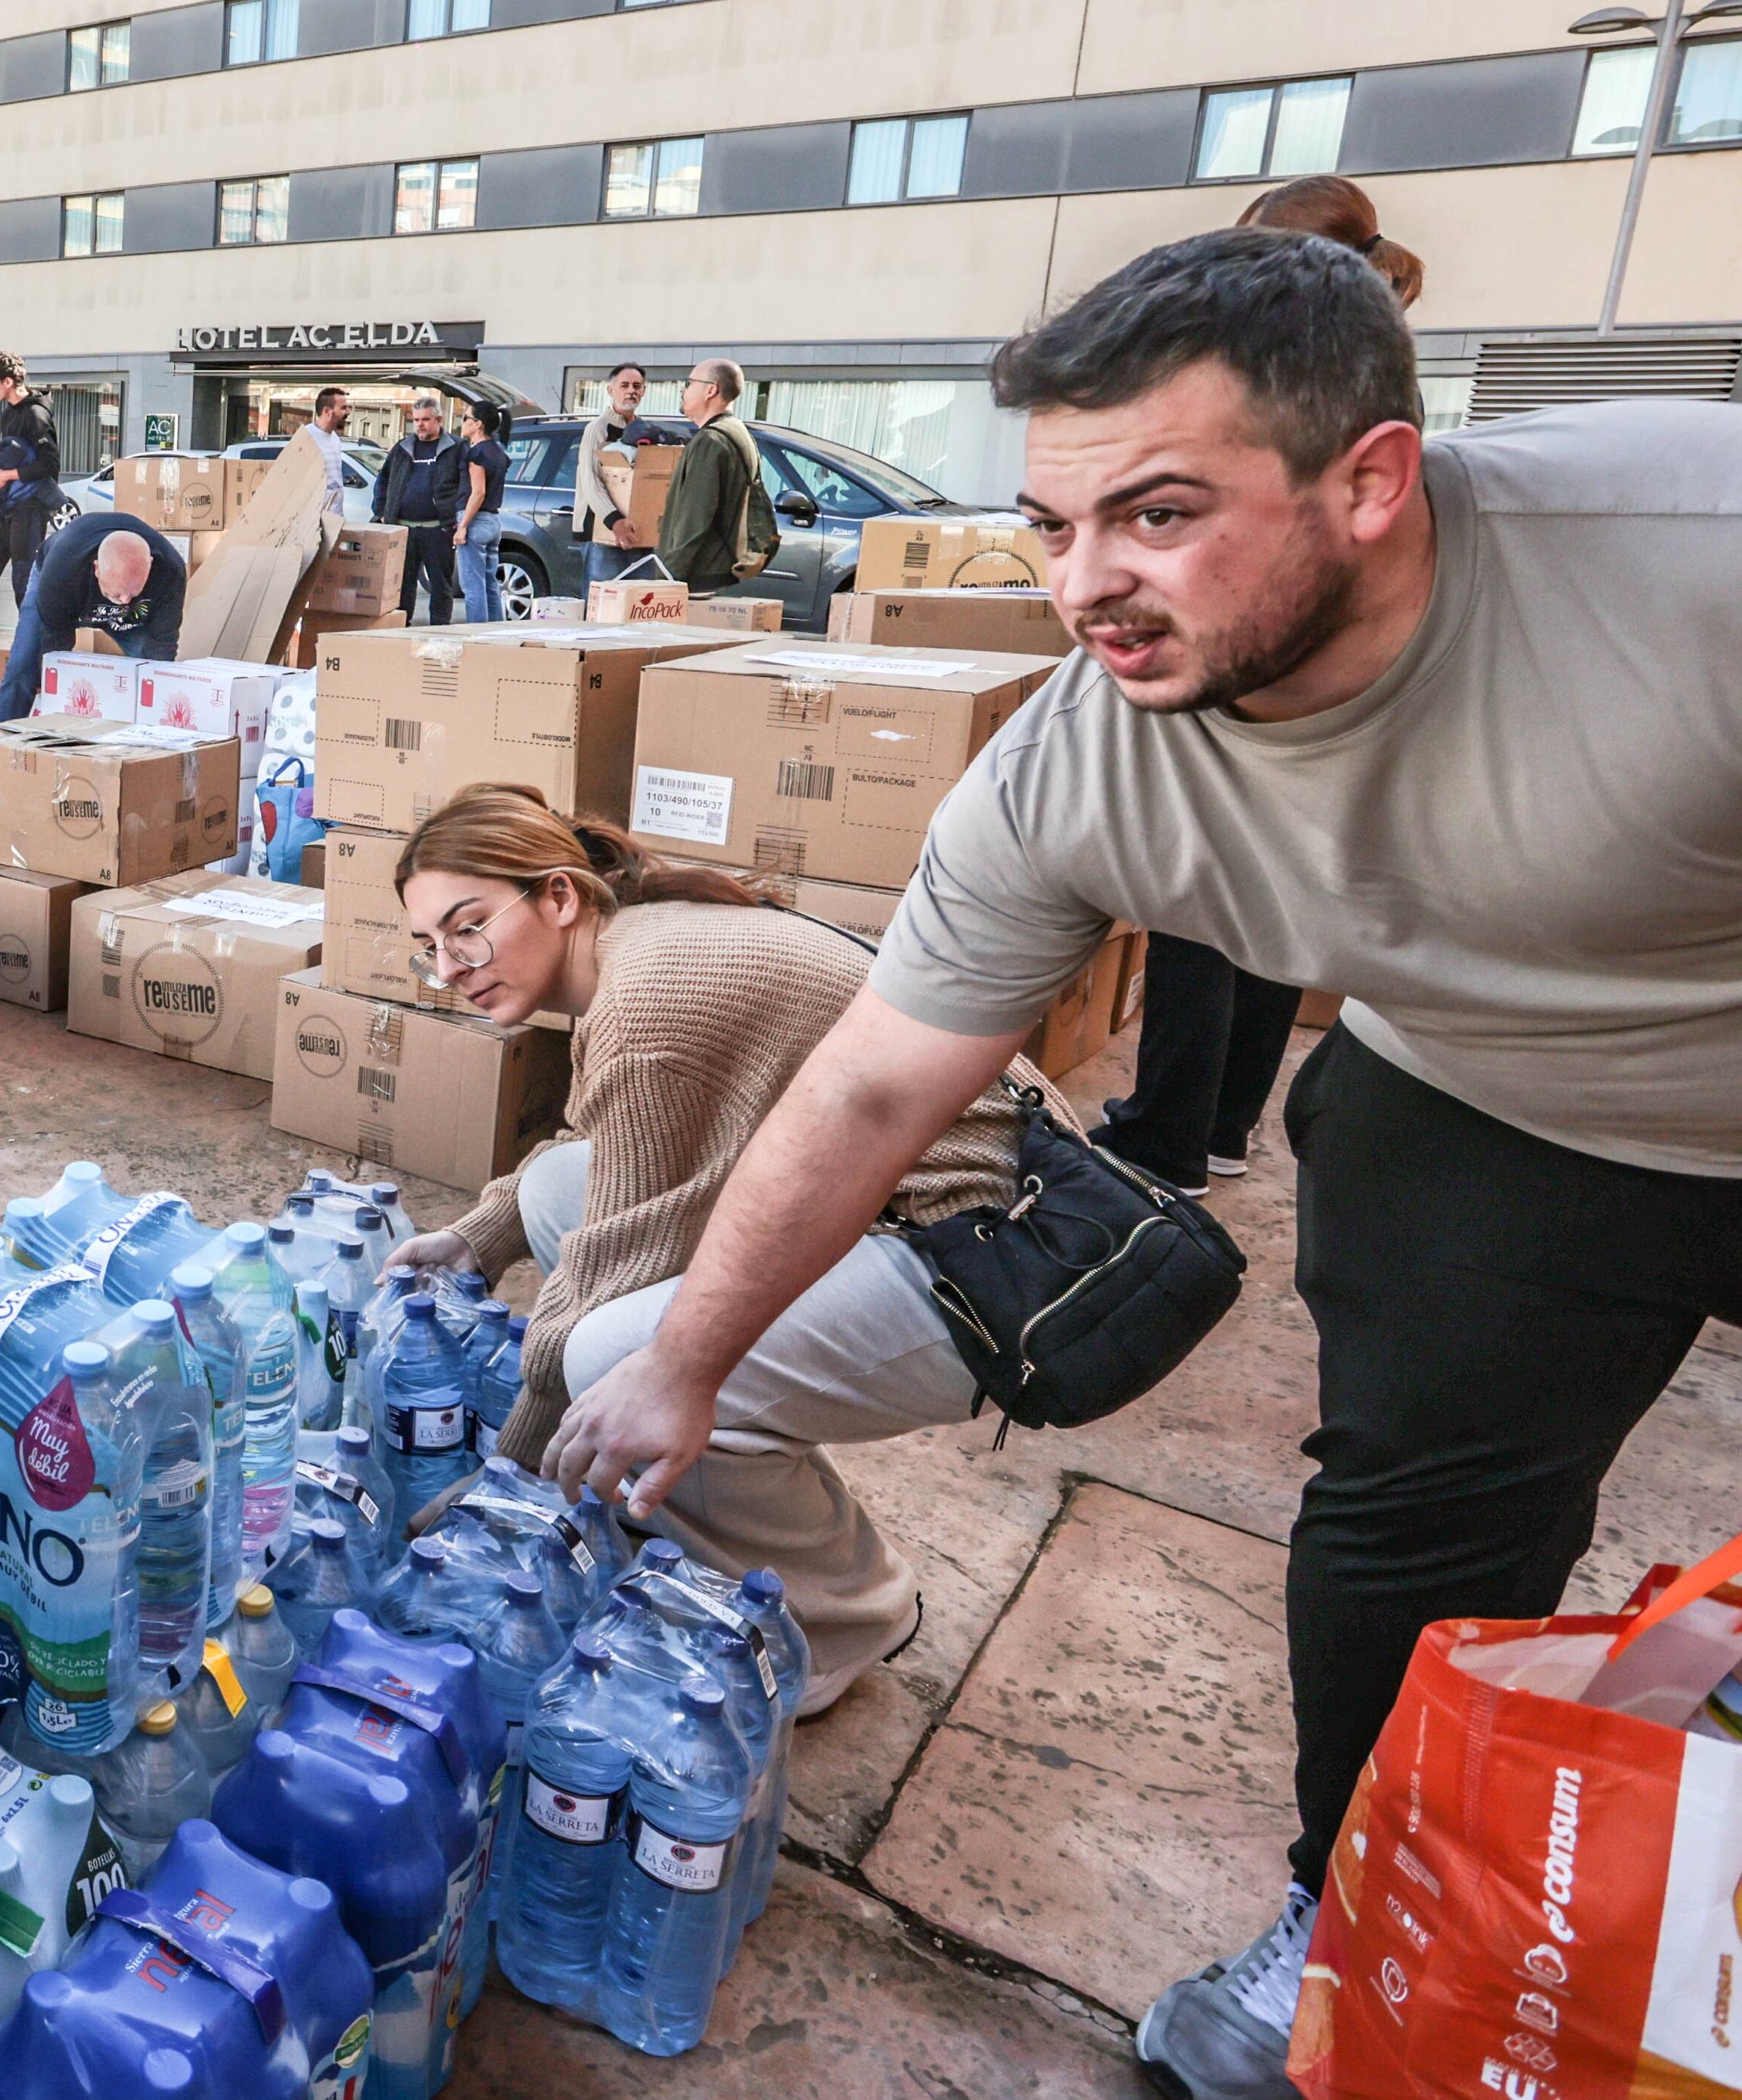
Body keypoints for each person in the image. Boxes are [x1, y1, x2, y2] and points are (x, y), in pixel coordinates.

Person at [520, 229, 1742, 2100]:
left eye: (1157, 512)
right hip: (1494, 1102)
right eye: (1051, 522)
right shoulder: (1073, 765)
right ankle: (1351, 1909)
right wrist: (682, 1356)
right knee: (1401, 1535)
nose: (1086, 585)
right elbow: (863, 1090)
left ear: (1372, 480)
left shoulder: (1686, 572)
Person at [385, 782, 1030, 1710]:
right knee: (565, 1194)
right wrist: (477, 1237)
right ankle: (726, 1502)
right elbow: (597, 1159)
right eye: (430, 947)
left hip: (987, 1268)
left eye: (468, 926)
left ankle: (843, 1616)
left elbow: (602, 1286)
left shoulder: (650, 1000)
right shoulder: (639, 938)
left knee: (621, 1361)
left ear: (559, 895)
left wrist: (505, 1494)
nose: (450, 965)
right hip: (895, 1218)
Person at [1094, 175, 1432, 1197]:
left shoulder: (1281, 373)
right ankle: (1228, 1125)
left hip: (1250, 663)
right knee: (1278, 900)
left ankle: (1166, 1140)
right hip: (1347, 683)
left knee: (1195, 905)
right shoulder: (1380, 368)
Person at [0, 514, 184, 724]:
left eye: (133, 592)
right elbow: (53, 645)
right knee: (24, 665)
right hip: (64, 580)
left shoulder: (171, 571)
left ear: (150, 564)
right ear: (97, 568)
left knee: (150, 670)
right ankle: (2, 740)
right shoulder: (62, 571)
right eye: (118, 594)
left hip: (132, 615)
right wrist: (50, 695)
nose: (126, 600)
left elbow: (162, 646)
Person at [0, 351, 66, 661]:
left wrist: (9, 474)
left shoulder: (36, 415)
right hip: (5, 505)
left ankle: (33, 650)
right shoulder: (8, 412)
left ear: (8, 382)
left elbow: (50, 464)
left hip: (31, 508)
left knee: (24, 580)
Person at [650, 358, 774, 594]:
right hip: (719, 571)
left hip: (698, 577)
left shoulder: (711, 440)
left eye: (689, 383)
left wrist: (669, 578)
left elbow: (694, 517)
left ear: (711, 390)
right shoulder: (736, 431)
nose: (683, 390)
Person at [379, 392, 466, 625]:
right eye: (416, 420)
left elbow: (467, 484)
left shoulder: (456, 448)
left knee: (440, 585)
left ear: (439, 420)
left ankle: (439, 632)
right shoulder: (402, 448)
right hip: (403, 529)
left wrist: (458, 515)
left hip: (438, 530)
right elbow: (383, 480)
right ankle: (402, 628)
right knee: (403, 585)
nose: (420, 425)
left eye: (425, 420)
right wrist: (380, 512)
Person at [573, 361, 653, 570]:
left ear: (644, 391)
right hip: (603, 532)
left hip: (637, 532)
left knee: (637, 601)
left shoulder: (643, 430)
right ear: (611, 390)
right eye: (624, 385)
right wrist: (615, 521)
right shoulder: (598, 428)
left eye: (637, 386)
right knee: (603, 600)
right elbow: (589, 479)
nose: (631, 391)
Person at [454, 394, 520, 622]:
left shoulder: (477, 453)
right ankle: (494, 632)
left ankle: (476, 634)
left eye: (466, 418)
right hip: (494, 522)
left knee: (473, 586)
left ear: (478, 424)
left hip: (475, 521)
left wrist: (462, 526)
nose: (463, 423)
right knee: (491, 584)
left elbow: (478, 492)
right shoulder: (499, 451)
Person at [303, 386, 355, 509]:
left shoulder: (335, 439)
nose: (348, 412)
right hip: (315, 518)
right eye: (343, 408)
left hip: (334, 516)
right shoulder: (307, 437)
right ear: (327, 411)